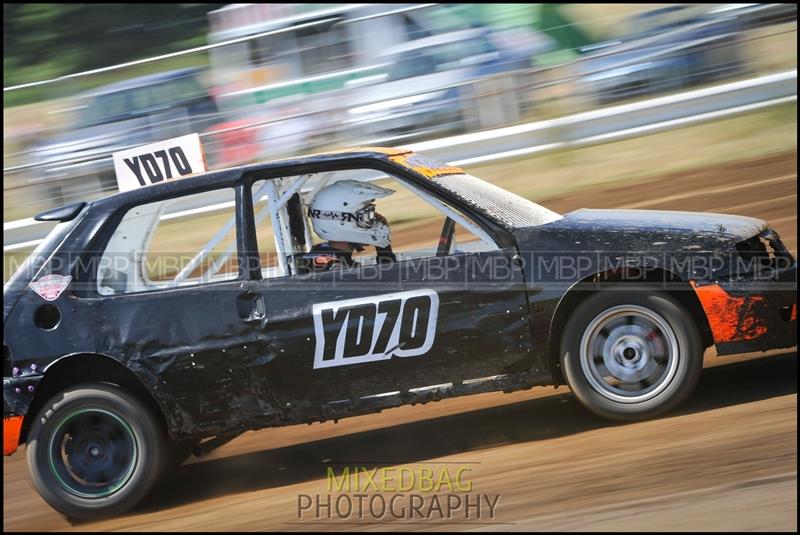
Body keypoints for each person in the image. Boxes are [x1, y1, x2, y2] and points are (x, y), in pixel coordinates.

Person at [300, 179, 397, 273]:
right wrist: (383, 247)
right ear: (342, 220)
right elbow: (390, 281)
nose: (376, 221)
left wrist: (383, 246)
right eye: (367, 216)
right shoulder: (332, 267)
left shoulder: (324, 256)